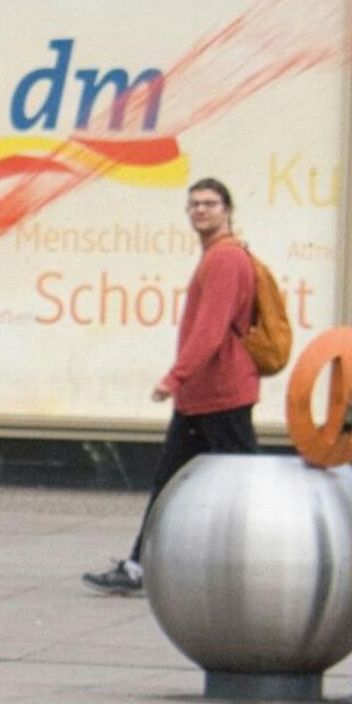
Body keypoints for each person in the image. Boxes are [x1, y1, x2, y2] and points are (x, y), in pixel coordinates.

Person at [83, 177, 259, 594]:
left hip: (220, 396)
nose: (200, 210)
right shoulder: (218, 256)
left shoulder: (225, 260)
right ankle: (139, 566)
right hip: (202, 398)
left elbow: (210, 330)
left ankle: (262, 565)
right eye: (194, 204)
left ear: (227, 210)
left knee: (245, 489)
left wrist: (173, 377)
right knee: (171, 484)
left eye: (210, 203)